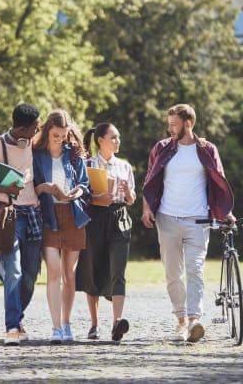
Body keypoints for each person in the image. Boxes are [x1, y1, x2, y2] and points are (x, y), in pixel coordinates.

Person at [141, 103, 234, 343]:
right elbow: (150, 180)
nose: (169, 128)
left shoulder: (207, 150)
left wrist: (225, 212)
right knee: (173, 274)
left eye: (174, 124)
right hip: (167, 218)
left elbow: (219, 181)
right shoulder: (161, 148)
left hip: (198, 220)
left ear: (188, 124)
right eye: (169, 124)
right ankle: (181, 320)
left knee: (195, 270)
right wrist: (146, 209)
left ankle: (194, 321)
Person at [0, 103, 42, 346]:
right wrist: (5, 189)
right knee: (13, 271)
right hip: (9, 215)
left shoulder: (34, 142)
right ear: (22, 128)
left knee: (29, 276)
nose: (38, 130)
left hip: (33, 214)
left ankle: (18, 317)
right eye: (35, 127)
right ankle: (12, 327)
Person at [32, 109, 90, 344]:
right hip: (48, 217)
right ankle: (56, 327)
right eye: (56, 135)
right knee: (54, 271)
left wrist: (78, 191)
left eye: (64, 135)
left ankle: (67, 323)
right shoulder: (36, 155)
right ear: (47, 131)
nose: (60, 140)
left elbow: (85, 184)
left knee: (69, 273)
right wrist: (42, 188)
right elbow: (30, 187)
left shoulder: (74, 154)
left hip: (73, 215)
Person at [76, 123, 136, 343]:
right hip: (95, 219)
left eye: (118, 137)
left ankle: (117, 323)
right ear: (100, 140)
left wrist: (127, 192)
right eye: (113, 137)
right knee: (92, 268)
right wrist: (96, 198)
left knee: (118, 271)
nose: (118, 141)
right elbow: (81, 196)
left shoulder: (125, 167)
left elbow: (132, 200)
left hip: (120, 217)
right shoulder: (87, 165)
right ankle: (94, 324)